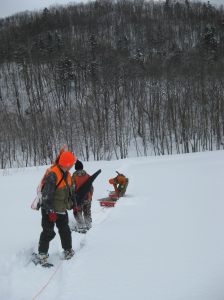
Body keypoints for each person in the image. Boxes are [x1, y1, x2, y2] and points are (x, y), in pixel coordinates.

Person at [37, 150, 77, 265]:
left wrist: (74, 205)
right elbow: (46, 196)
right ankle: (42, 255)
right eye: (72, 163)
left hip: (61, 209)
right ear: (67, 164)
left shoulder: (68, 175)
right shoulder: (53, 174)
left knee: (65, 231)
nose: (73, 165)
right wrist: (50, 211)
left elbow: (72, 192)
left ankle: (68, 250)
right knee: (48, 232)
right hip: (49, 210)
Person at [72, 160, 93, 233]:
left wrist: (72, 199)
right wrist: (90, 197)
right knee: (87, 212)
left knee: (77, 212)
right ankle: (88, 225)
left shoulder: (74, 176)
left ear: (76, 168)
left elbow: (72, 188)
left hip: (78, 199)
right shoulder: (87, 175)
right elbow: (91, 188)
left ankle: (81, 226)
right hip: (87, 198)